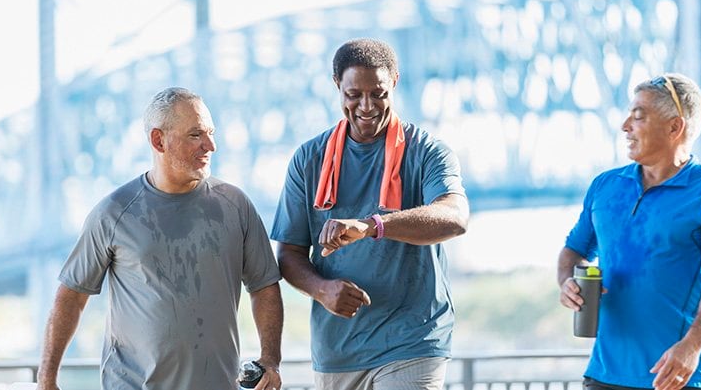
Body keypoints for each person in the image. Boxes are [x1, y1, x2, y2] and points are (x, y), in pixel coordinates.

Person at [37, 87, 284, 390]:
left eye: (211, 133)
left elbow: (265, 287)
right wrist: (47, 380)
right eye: (195, 135)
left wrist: (270, 359)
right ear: (158, 140)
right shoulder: (113, 213)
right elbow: (71, 297)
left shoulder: (236, 206)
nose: (211, 146)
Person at [271, 38, 469, 390]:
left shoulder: (427, 152)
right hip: (337, 351)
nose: (366, 106)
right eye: (354, 95)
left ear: (394, 82)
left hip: (414, 341)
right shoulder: (308, 160)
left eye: (378, 93)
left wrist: (372, 225)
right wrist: (321, 289)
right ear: (337, 86)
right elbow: (288, 254)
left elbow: (454, 217)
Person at [557, 73, 701, 390]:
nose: (624, 126)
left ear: (675, 127)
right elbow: (574, 250)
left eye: (638, 116)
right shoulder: (605, 186)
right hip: (603, 376)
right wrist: (566, 282)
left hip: (677, 378)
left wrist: (692, 346)